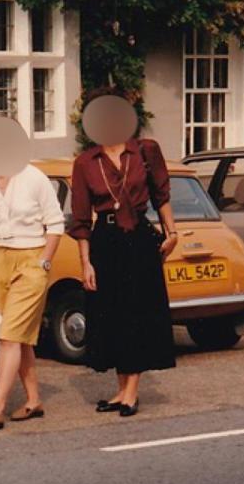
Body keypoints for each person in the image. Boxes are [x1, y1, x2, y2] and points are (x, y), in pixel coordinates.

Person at [68, 114, 178, 417]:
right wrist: (86, 263)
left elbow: (162, 196)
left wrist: (172, 232)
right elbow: (80, 219)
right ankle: (120, 390)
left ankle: (132, 392)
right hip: (105, 240)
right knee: (111, 315)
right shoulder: (85, 162)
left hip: (139, 240)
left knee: (137, 313)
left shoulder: (146, 151)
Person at [0, 160, 64, 431]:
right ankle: (34, 400)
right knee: (20, 338)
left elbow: (56, 224)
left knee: (9, 335)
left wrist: (44, 262)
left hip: (31, 259)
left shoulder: (34, 178)